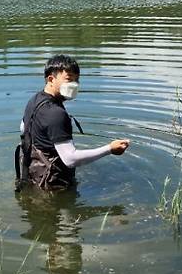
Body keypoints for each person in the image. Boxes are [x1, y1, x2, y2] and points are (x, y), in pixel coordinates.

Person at [15, 54, 129, 191]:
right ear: (51, 79)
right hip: (52, 186)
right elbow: (70, 159)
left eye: (77, 80)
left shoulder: (35, 100)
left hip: (32, 174)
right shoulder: (56, 114)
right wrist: (110, 149)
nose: (74, 85)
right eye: (69, 79)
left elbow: (23, 128)